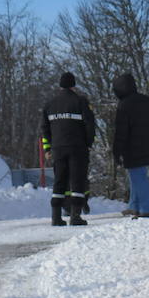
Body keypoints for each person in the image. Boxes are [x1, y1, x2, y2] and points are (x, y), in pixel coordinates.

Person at [41, 71, 95, 226]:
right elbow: (90, 126)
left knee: (59, 182)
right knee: (76, 181)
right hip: (78, 148)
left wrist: (47, 149)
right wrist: (88, 143)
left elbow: (45, 129)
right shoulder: (81, 102)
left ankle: (56, 217)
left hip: (57, 149)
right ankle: (75, 216)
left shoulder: (49, 105)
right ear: (74, 85)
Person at [112, 72, 149, 219]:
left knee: (138, 177)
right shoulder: (148, 101)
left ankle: (146, 209)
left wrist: (116, 151)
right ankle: (134, 206)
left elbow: (120, 131)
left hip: (132, 148)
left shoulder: (124, 105)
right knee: (136, 176)